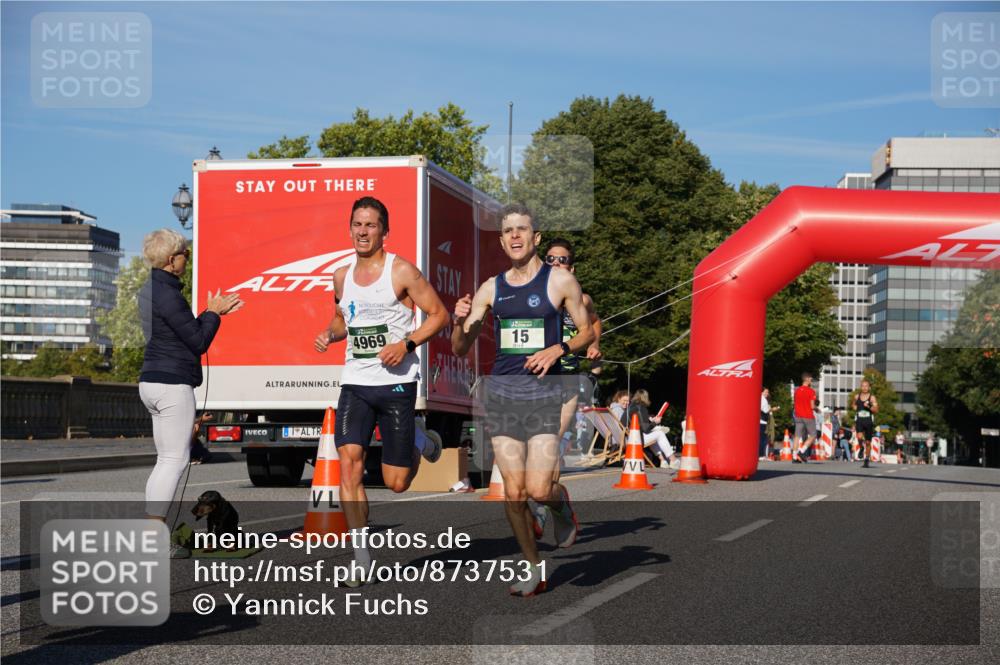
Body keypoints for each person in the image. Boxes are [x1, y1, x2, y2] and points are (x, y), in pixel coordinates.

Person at [452, 203, 594, 597]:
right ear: (502, 240)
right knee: (513, 493)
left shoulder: (560, 281)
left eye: (522, 230)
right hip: (503, 397)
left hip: (545, 395)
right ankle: (534, 567)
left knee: (538, 489)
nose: (515, 236)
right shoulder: (491, 289)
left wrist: (558, 349)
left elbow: (586, 333)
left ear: (536, 238)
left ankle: (559, 503)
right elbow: (461, 346)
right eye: (508, 231)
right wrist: (458, 319)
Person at [314, 196, 449, 584]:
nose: (362, 231)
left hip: (396, 382)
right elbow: (342, 320)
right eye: (357, 224)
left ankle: (421, 442)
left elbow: (438, 314)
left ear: (384, 232)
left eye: (371, 225)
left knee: (396, 483)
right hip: (356, 381)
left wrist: (405, 344)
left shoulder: (402, 271)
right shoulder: (341, 276)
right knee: (349, 464)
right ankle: (362, 560)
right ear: (350, 227)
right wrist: (329, 333)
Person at [138, 229, 243, 556]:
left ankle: (152, 533)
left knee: (164, 461)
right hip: (172, 384)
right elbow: (198, 341)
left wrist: (207, 315)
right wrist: (213, 312)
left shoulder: (149, 290)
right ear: (172, 260)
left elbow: (177, 333)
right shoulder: (168, 295)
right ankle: (154, 539)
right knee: (174, 460)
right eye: (184, 253)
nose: (187, 257)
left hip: (151, 381)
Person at [623, 389, 676, 469]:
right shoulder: (641, 408)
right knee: (659, 434)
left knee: (655, 434)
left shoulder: (631, 407)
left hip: (627, 438)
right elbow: (646, 429)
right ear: (645, 398)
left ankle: (663, 461)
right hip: (635, 440)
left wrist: (649, 419)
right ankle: (673, 460)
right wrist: (655, 422)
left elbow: (639, 423)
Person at [792, 373, 819, 463]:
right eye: (810, 378)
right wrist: (817, 409)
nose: (811, 379)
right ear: (806, 379)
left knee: (797, 436)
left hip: (798, 416)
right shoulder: (811, 391)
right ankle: (802, 451)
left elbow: (795, 404)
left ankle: (794, 457)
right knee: (813, 435)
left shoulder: (797, 390)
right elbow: (812, 406)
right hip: (808, 416)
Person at [852, 378, 879, 468]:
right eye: (863, 386)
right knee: (859, 436)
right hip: (859, 420)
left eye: (866, 386)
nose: (864, 388)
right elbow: (853, 405)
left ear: (869, 388)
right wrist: (856, 408)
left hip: (868, 421)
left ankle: (866, 459)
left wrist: (869, 406)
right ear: (861, 387)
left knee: (868, 442)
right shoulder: (857, 396)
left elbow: (876, 410)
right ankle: (861, 447)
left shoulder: (872, 397)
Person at [759, 388, 778, 461]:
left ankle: (761, 454)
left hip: (761, 420)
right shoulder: (763, 399)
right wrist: (773, 409)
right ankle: (761, 455)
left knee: (761, 438)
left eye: (768, 392)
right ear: (762, 392)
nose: (767, 393)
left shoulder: (760, 398)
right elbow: (766, 410)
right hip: (762, 420)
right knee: (762, 439)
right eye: (766, 392)